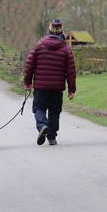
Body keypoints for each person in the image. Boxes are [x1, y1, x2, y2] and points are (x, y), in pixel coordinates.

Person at [24, 18, 76, 146]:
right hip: (57, 88)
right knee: (54, 111)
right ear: (61, 32)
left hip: (41, 87)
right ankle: (52, 137)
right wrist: (71, 89)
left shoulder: (39, 45)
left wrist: (27, 82)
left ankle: (42, 125)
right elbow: (71, 71)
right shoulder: (66, 49)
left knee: (38, 108)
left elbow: (29, 65)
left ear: (49, 30)